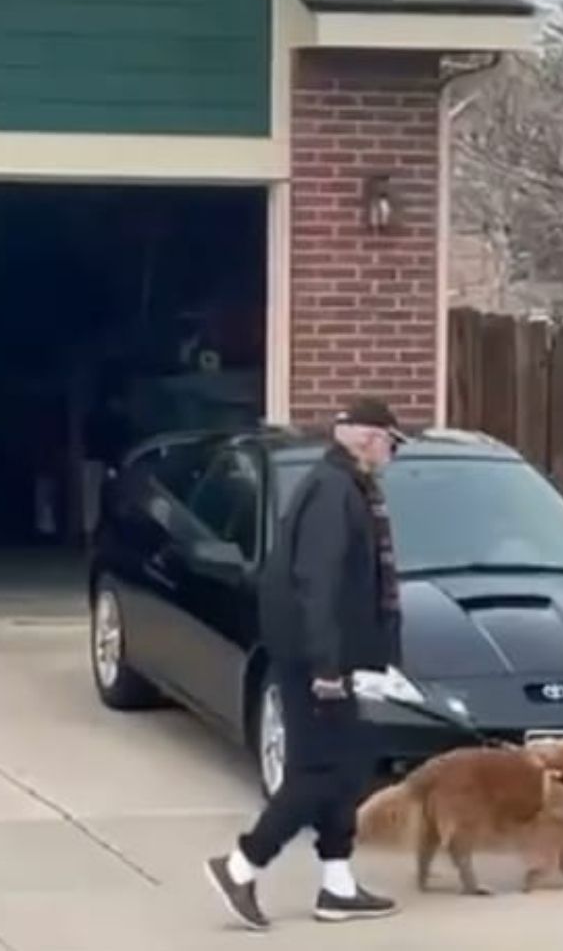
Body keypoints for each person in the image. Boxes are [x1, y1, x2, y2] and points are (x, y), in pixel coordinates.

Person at [204, 397, 408, 929]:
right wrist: (325, 668)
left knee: (347, 770)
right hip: (317, 663)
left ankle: (337, 886)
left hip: (337, 660)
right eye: (391, 442)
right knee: (316, 774)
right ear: (368, 437)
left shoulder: (345, 487)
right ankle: (241, 865)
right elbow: (316, 583)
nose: (391, 453)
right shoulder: (332, 492)